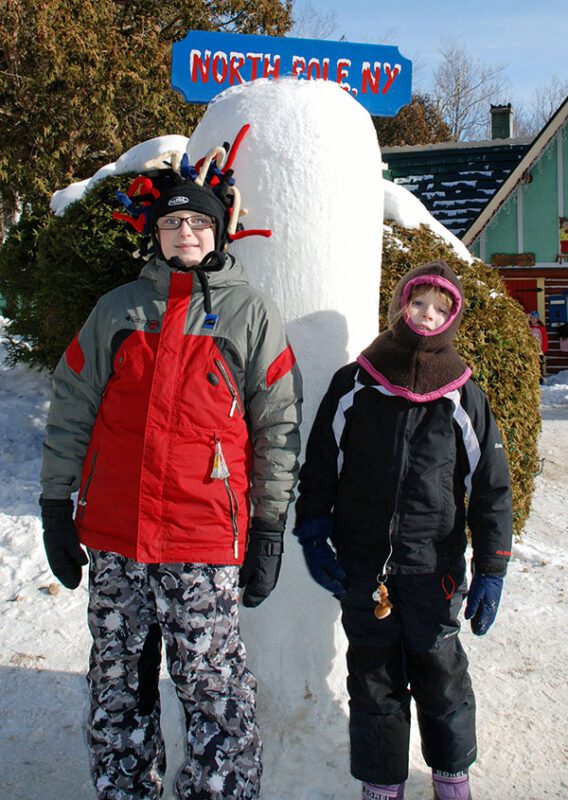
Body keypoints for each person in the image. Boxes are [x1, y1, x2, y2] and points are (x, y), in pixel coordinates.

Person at [39, 130, 302, 800]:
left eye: (198, 221)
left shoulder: (250, 314)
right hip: (115, 535)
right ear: (155, 233)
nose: (185, 231)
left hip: (202, 538)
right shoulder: (116, 311)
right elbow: (72, 405)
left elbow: (277, 426)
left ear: (221, 231)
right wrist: (54, 504)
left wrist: (269, 525)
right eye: (172, 221)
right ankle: (124, 789)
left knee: (212, 687)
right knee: (116, 680)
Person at [293, 261, 512, 800]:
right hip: (363, 564)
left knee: (440, 671)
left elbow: (490, 485)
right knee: (373, 676)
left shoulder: (463, 396)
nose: (428, 316)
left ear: (452, 319)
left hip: (432, 566)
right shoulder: (355, 383)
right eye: (420, 304)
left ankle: (451, 772)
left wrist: (492, 567)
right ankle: (381, 780)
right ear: (401, 306)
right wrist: (313, 528)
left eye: (441, 309)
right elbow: (321, 459)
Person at [527, 310, 548, 384]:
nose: (533, 319)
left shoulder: (541, 328)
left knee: (539, 366)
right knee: (531, 366)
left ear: (538, 319)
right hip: (530, 350)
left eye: (534, 318)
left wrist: (544, 349)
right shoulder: (528, 327)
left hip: (539, 351)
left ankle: (540, 381)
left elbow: (544, 339)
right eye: (531, 318)